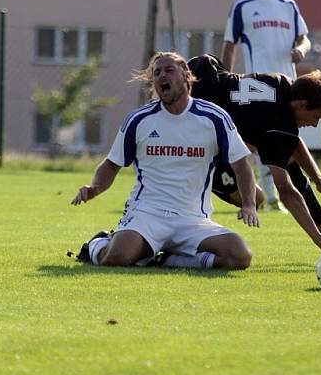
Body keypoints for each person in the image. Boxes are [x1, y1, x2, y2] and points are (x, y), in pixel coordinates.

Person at [71, 52, 260, 269]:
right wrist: (95, 188)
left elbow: (241, 163)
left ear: (186, 76)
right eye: (156, 72)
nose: (162, 76)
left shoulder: (214, 117)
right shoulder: (139, 119)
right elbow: (112, 163)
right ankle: (96, 244)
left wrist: (248, 204)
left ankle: (168, 259)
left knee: (240, 256)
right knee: (117, 258)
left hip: (193, 219)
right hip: (147, 214)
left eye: (169, 70)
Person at [188, 53, 321, 252]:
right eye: (316, 117)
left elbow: (292, 142)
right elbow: (286, 192)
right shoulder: (278, 123)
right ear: (302, 105)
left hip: (206, 75)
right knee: (256, 199)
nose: (315, 124)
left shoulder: (284, 84)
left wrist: (319, 179)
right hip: (197, 137)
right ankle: (184, 236)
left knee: (277, 160)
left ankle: (320, 218)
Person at [221, 0, 312, 212]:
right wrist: (226, 80)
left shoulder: (289, 6)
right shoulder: (243, 7)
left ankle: (289, 194)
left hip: (288, 84)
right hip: (257, 84)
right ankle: (270, 197)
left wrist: (301, 50)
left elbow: (304, 37)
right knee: (261, 140)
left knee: (287, 139)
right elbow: (230, 44)